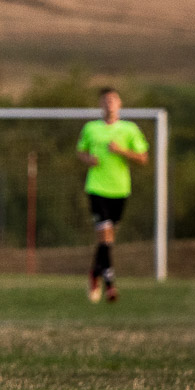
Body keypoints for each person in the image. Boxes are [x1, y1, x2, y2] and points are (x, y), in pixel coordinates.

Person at [76, 87, 149, 303]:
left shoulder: (129, 129)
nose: (109, 104)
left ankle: (94, 273)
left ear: (119, 104)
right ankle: (110, 285)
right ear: (100, 104)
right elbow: (80, 151)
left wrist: (121, 151)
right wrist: (88, 159)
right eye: (105, 100)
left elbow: (143, 158)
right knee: (105, 235)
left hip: (120, 189)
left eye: (113, 100)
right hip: (96, 188)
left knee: (107, 241)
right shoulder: (91, 128)